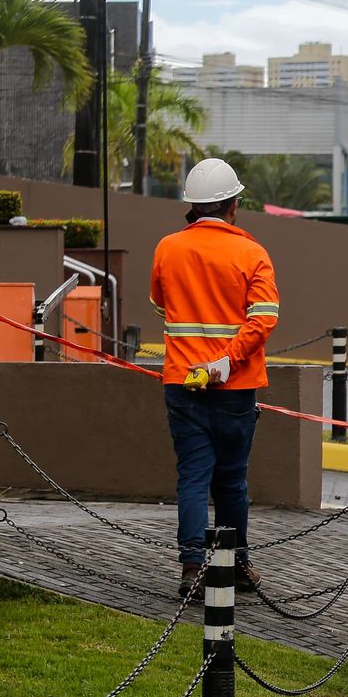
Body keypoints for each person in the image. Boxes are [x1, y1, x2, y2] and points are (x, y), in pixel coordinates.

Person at [151, 158, 281, 599]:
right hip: (236, 388)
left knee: (192, 476)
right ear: (233, 205)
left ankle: (192, 569)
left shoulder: (167, 248)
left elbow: (159, 304)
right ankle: (237, 564)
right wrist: (228, 359)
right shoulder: (252, 253)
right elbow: (264, 319)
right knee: (230, 479)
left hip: (182, 383)